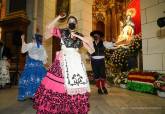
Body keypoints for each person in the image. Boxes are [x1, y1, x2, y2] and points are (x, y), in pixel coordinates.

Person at [33, 13, 95, 114]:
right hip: (62, 61)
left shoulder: (80, 36)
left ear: (76, 24)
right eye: (70, 22)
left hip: (75, 63)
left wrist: (80, 38)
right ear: (67, 24)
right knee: (60, 84)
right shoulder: (62, 32)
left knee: (75, 85)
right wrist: (58, 17)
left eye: (74, 22)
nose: (72, 23)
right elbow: (48, 28)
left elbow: (92, 50)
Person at [17, 33, 48, 101]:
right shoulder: (41, 47)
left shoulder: (31, 45)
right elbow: (44, 59)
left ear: (35, 39)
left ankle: (30, 95)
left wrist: (22, 39)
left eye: (33, 38)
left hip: (30, 66)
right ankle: (37, 96)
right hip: (39, 67)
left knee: (28, 80)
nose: (32, 39)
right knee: (38, 81)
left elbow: (23, 50)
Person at [90, 30, 108, 95]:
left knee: (102, 74)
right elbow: (88, 50)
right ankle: (99, 88)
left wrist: (113, 43)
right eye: (94, 35)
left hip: (101, 61)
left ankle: (103, 87)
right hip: (94, 61)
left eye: (97, 35)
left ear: (99, 36)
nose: (95, 36)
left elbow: (109, 45)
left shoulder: (103, 43)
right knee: (96, 75)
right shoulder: (91, 44)